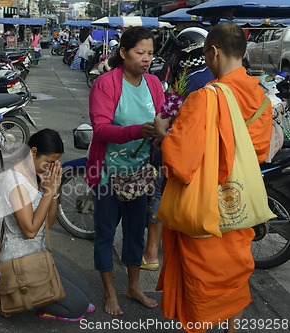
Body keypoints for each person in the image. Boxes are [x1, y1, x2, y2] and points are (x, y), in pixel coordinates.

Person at [154, 22, 272, 333]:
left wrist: (164, 133)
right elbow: (257, 152)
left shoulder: (205, 98)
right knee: (233, 273)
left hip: (206, 208)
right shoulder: (260, 97)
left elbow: (180, 161)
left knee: (203, 281)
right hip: (239, 204)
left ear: (214, 52)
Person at [86, 26, 165, 315]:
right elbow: (101, 128)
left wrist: (162, 131)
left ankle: (134, 287)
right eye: (140, 52)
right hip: (108, 174)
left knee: (135, 235)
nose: (146, 59)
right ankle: (109, 292)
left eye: (151, 53)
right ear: (123, 53)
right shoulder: (106, 84)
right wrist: (136, 131)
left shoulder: (154, 84)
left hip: (141, 175)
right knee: (105, 234)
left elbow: (161, 118)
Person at [0, 129, 95, 322]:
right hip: (19, 263)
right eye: (49, 161)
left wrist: (54, 192)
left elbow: (48, 224)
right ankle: (33, 301)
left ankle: (43, 299)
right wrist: (48, 193)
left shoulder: (35, 174)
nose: (51, 167)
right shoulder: (15, 182)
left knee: (86, 295)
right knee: (78, 307)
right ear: (33, 152)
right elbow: (30, 230)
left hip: (38, 255)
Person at [142, 27, 215, 271]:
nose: (171, 57)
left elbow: (175, 120)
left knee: (159, 194)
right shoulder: (206, 75)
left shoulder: (193, 81)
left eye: (176, 52)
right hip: (204, 152)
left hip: (181, 150)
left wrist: (162, 132)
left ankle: (151, 253)